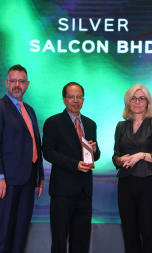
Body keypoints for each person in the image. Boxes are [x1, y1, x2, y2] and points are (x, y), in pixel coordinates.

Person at [0, 64, 44, 253]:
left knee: (19, 234)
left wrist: (38, 176)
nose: (17, 85)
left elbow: (34, 144)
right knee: (2, 234)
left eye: (21, 81)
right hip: (4, 182)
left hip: (26, 180)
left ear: (27, 84)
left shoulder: (29, 110)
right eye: (13, 81)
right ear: (6, 83)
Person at [42, 82, 100, 253]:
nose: (76, 100)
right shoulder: (53, 122)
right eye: (71, 96)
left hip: (84, 191)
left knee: (81, 242)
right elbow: (48, 152)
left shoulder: (90, 124)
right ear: (64, 99)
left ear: (83, 99)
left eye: (79, 96)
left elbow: (94, 155)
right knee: (60, 242)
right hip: (62, 192)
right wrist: (74, 165)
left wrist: (95, 151)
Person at [112, 84, 152, 253]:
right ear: (128, 102)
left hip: (147, 183)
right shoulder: (121, 126)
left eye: (141, 98)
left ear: (147, 102)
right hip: (126, 183)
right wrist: (121, 160)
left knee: (148, 231)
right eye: (133, 98)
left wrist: (141, 155)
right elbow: (115, 156)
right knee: (129, 232)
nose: (137, 102)